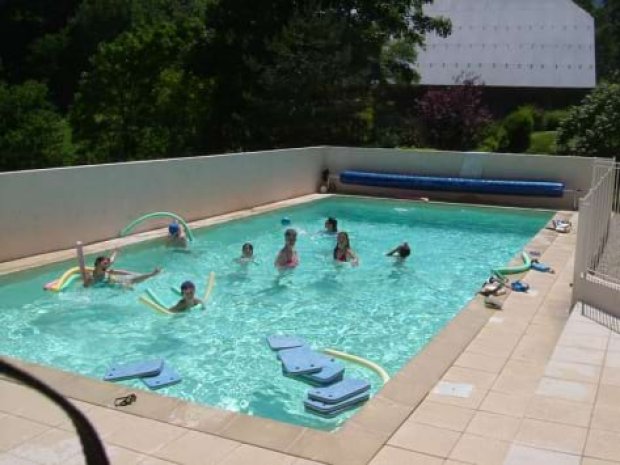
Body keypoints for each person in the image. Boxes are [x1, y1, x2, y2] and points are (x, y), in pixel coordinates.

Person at [82, 250, 160, 288]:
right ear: (98, 263)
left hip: (117, 282)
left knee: (132, 281)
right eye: (105, 263)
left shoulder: (105, 269)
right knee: (131, 283)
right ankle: (151, 275)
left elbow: (112, 260)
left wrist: (116, 251)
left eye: (107, 263)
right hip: (112, 287)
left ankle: (151, 274)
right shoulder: (91, 276)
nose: (107, 265)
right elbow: (85, 287)